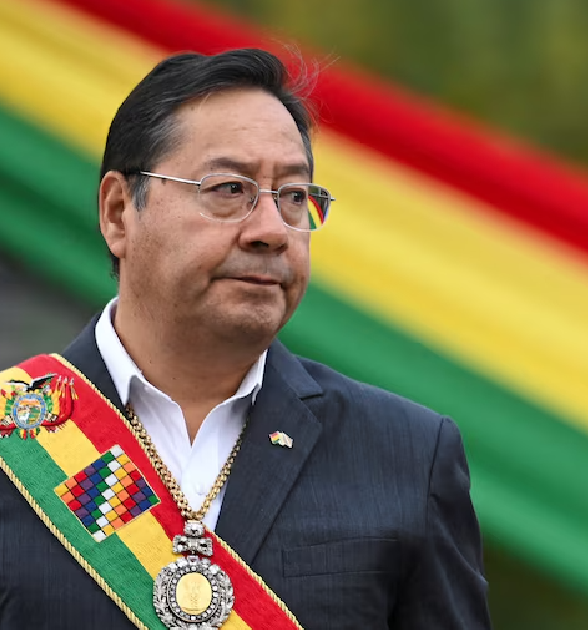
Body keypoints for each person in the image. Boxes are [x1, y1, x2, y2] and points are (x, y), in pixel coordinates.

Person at [0, 49, 491, 629]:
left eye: (294, 197)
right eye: (230, 189)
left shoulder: (404, 456)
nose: (271, 231)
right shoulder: (20, 437)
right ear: (117, 212)